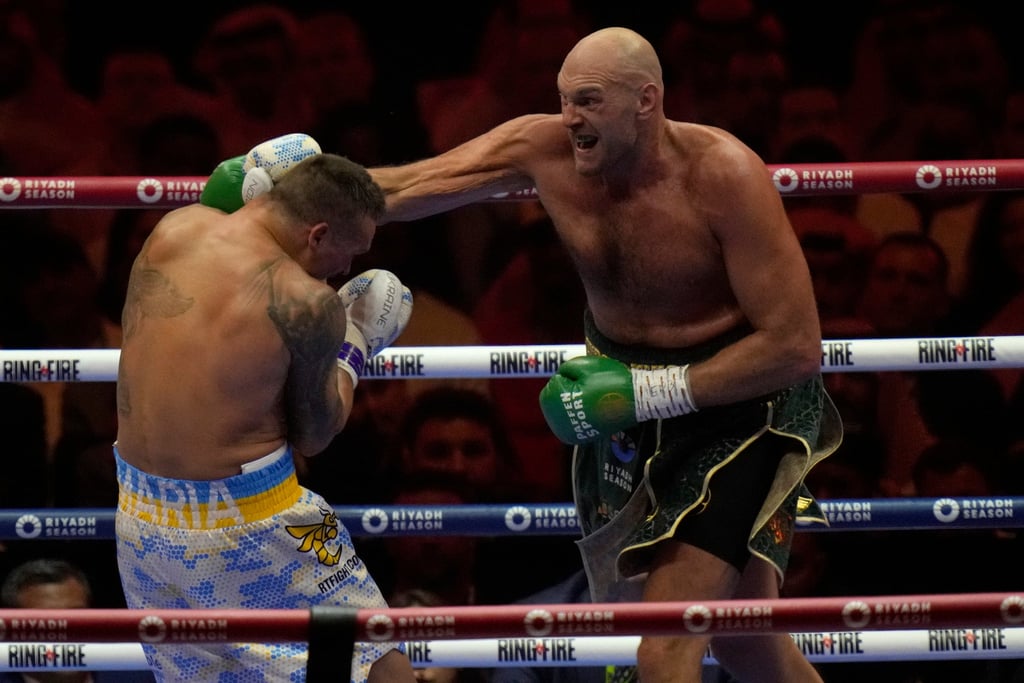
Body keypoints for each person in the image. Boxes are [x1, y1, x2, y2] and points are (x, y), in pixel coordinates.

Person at [367, 26, 841, 683]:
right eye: (563, 100)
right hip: (629, 405)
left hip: (741, 414)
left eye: (587, 100)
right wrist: (286, 187)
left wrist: (649, 393)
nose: (570, 118)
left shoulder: (723, 173)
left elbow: (795, 345)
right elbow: (408, 186)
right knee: (746, 638)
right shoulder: (545, 147)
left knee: (663, 646)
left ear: (646, 101)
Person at [112, 136, 416, 683]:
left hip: (139, 520)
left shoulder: (173, 229)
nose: (347, 268)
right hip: (248, 522)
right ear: (317, 233)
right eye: (349, 253)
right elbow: (315, 433)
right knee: (384, 669)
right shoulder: (305, 301)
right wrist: (355, 346)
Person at [0, 557, 156, 683]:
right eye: (46, 622)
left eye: (74, 618)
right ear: (11, 631)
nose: (64, 634)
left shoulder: (141, 677)